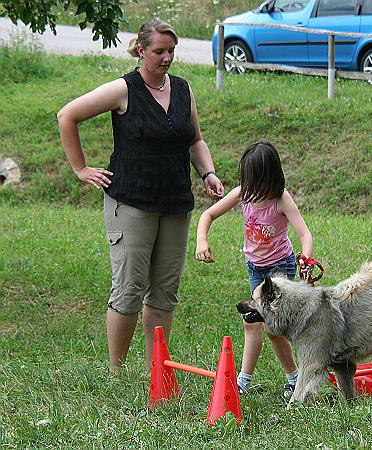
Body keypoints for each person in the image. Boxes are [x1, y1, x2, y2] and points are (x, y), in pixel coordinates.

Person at [57, 19, 224, 372]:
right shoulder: (123, 90)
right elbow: (67, 115)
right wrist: (81, 168)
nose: (167, 58)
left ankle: (156, 369)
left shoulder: (182, 89)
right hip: (130, 203)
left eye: (171, 51)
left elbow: (195, 140)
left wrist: (207, 172)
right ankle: (117, 370)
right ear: (140, 51)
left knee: (164, 291)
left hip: (176, 204)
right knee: (129, 288)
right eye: (159, 51)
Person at [195, 140, 313, 398]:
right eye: (250, 182)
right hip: (256, 269)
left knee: (272, 329)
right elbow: (208, 215)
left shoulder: (281, 200)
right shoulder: (243, 194)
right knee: (252, 323)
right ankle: (244, 382)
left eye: (259, 183)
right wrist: (202, 239)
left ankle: (294, 377)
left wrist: (306, 257)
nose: (255, 189)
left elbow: (304, 234)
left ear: (272, 178)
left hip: (280, 268)